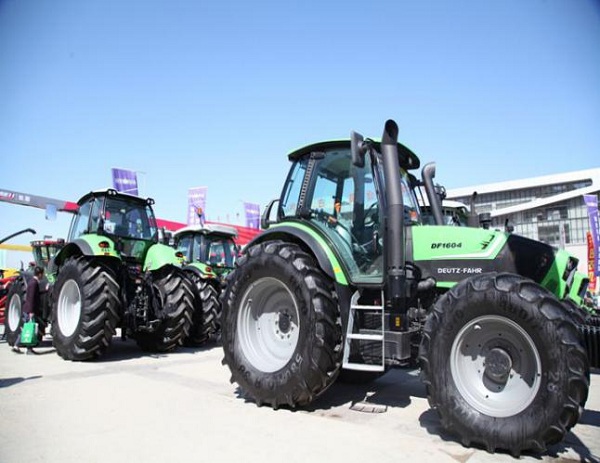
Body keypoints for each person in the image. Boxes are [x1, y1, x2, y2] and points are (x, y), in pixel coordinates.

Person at [12, 266, 45, 354]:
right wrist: (31, 312)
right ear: (40, 274)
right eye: (43, 274)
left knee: (25, 329)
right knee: (29, 329)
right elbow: (31, 298)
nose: (43, 276)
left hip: (27, 309)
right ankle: (28, 349)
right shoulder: (34, 283)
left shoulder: (31, 282)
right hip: (30, 310)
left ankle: (16, 345)